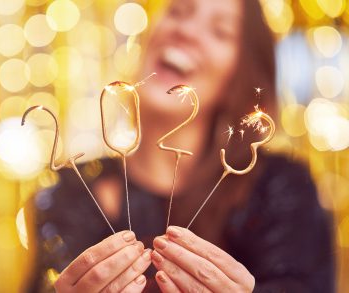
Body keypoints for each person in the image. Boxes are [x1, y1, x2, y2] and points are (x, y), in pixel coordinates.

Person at [24, 0, 335, 292]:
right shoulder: (69, 192)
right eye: (179, 11)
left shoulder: (280, 187)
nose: (185, 30)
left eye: (220, 31)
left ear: (241, 72)